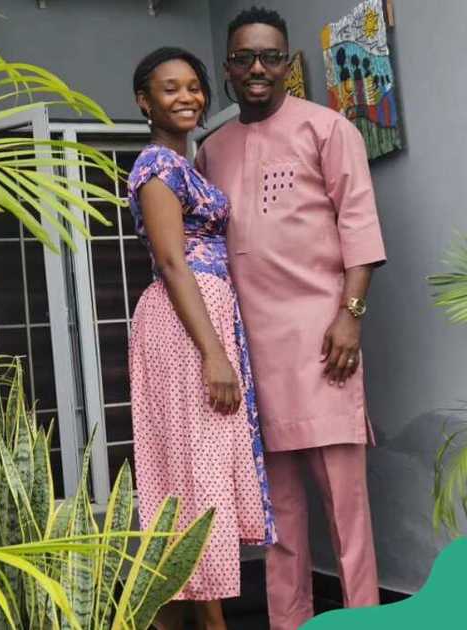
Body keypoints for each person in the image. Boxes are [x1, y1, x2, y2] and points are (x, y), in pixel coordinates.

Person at [194, 7, 386, 630]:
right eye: (244, 57)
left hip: (324, 342)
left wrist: (349, 317)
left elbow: (359, 226)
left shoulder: (328, 129)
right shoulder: (210, 149)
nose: (257, 68)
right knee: (277, 515)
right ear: (228, 68)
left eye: (270, 57)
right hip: (252, 352)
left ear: (288, 64)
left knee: (345, 510)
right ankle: (289, 622)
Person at [127, 47, 276, 630]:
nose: (186, 97)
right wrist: (214, 352)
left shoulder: (184, 163)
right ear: (145, 101)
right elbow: (171, 261)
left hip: (203, 318)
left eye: (194, 86)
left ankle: (173, 617)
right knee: (196, 475)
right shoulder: (157, 169)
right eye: (170, 88)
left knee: (197, 472)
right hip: (185, 324)